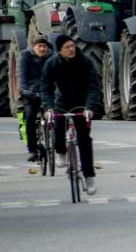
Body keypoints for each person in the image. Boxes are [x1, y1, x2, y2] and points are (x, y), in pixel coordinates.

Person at [40, 35, 101, 195]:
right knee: (58, 126)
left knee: (84, 140)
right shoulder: (52, 64)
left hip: (82, 103)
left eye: (72, 46)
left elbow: (94, 86)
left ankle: (89, 176)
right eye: (67, 47)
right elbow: (46, 87)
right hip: (62, 102)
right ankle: (60, 151)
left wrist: (89, 107)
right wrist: (49, 108)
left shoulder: (85, 62)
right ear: (60, 50)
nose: (71, 49)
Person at [18, 36, 52, 161]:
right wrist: (24, 90)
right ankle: (32, 150)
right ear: (34, 47)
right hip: (31, 92)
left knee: (59, 115)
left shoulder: (52, 57)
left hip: (48, 92)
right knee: (30, 117)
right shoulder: (25, 56)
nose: (43, 49)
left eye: (45, 46)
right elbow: (21, 75)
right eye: (40, 46)